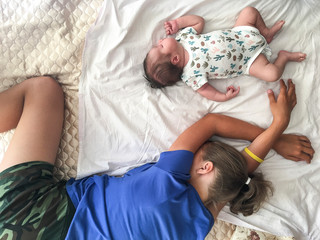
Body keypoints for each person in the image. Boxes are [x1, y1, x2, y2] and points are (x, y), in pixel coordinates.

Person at [0, 76, 314, 239]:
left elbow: (212, 124)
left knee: (42, 90)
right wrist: (275, 135)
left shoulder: (169, 179)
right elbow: (232, 179)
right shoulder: (198, 229)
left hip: (44, 215)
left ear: (203, 166)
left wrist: (277, 130)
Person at [143, 7, 307, 102]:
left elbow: (198, 21)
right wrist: (223, 97)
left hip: (240, 33)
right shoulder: (190, 75)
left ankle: (266, 33)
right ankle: (283, 57)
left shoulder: (184, 37)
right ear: (175, 59)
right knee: (272, 74)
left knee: (249, 12)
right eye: (161, 46)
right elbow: (206, 90)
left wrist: (177, 23)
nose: (160, 41)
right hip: (248, 62)